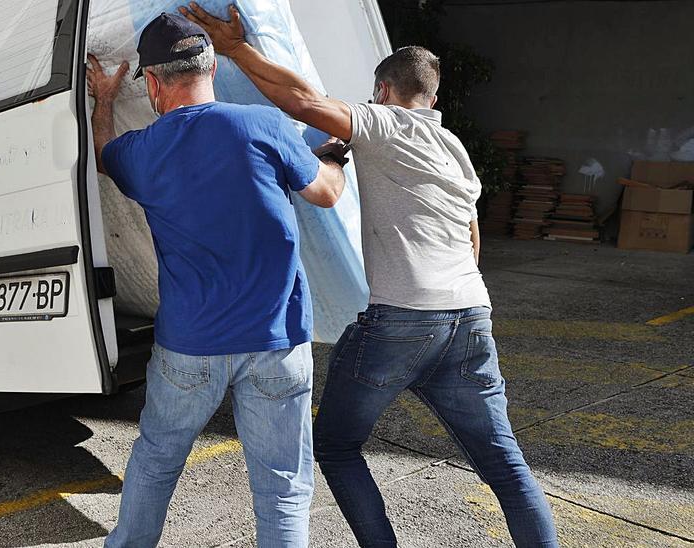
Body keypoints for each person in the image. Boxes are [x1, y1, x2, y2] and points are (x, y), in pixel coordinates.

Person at [182, 4, 560, 547]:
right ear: (433, 98)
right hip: (471, 317)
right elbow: (473, 239)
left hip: (403, 321)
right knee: (504, 466)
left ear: (382, 89)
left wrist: (237, 48)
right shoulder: (452, 146)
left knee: (336, 446)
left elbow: (303, 101)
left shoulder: (384, 122)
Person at [87, 12, 348, 548]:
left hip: (189, 346)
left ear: (154, 84)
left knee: (156, 462)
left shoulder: (143, 152)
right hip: (276, 343)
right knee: (281, 489)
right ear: (210, 67)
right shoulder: (265, 126)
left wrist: (105, 99)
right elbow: (326, 193)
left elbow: (104, 159)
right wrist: (335, 160)